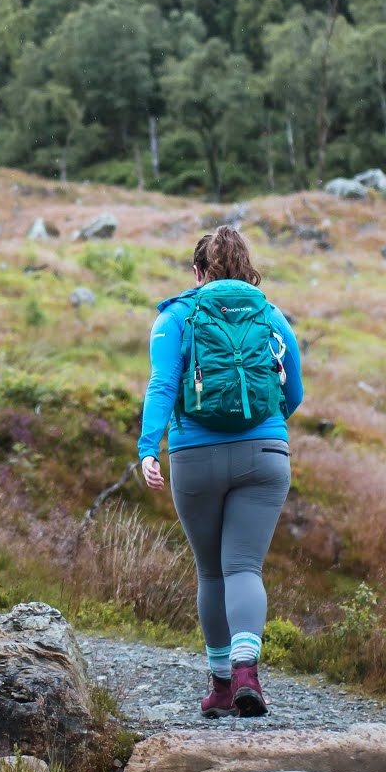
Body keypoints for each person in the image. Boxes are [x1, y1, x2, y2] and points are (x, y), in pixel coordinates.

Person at [139, 225, 304, 717]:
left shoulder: (176, 316)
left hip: (195, 458)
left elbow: (163, 383)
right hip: (266, 454)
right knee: (244, 568)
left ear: (198, 272)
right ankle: (247, 670)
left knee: (212, 571)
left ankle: (221, 687)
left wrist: (150, 446)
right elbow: (293, 392)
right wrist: (264, 429)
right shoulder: (271, 316)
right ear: (248, 268)